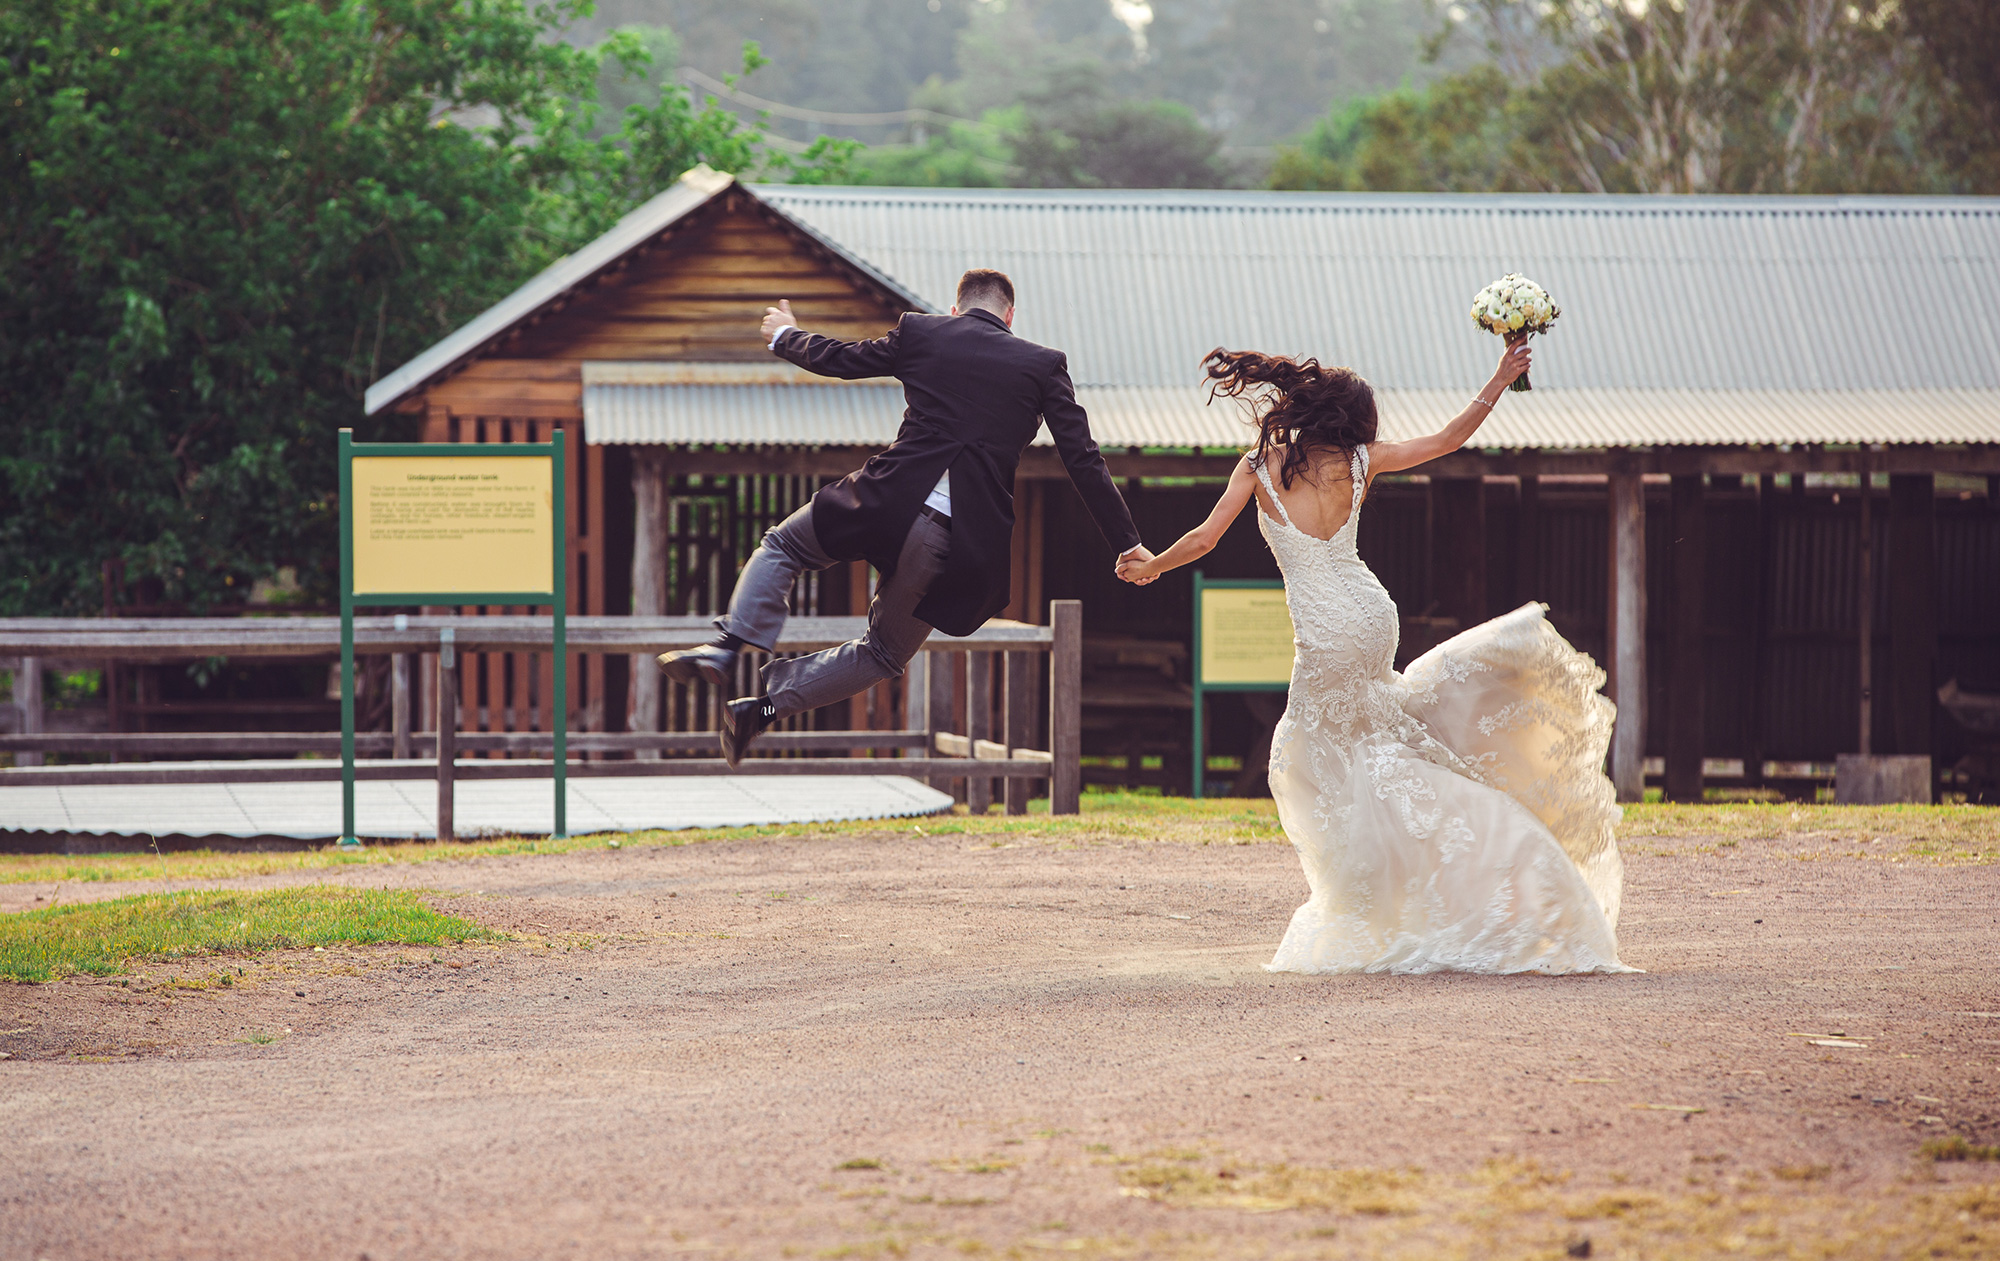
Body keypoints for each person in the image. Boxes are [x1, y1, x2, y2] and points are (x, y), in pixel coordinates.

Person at [1116, 342, 1637, 975]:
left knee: (1317, 760)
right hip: (1371, 611)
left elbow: (1203, 538)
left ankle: (1374, 899)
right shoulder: (1363, 461)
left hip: (1328, 631)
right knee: (1367, 748)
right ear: (1352, 421)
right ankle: (1417, 875)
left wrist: (1153, 568)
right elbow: (1449, 438)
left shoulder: (1258, 466)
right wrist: (1498, 378)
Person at [659, 269, 1152, 765]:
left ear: (955, 308)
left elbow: (843, 359)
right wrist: (1126, 542)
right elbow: (1083, 459)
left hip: (881, 501)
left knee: (783, 547)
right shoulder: (1042, 365)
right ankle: (762, 710)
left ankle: (727, 646)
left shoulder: (923, 332)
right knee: (883, 654)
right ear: (1010, 315)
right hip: (951, 539)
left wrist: (788, 335)